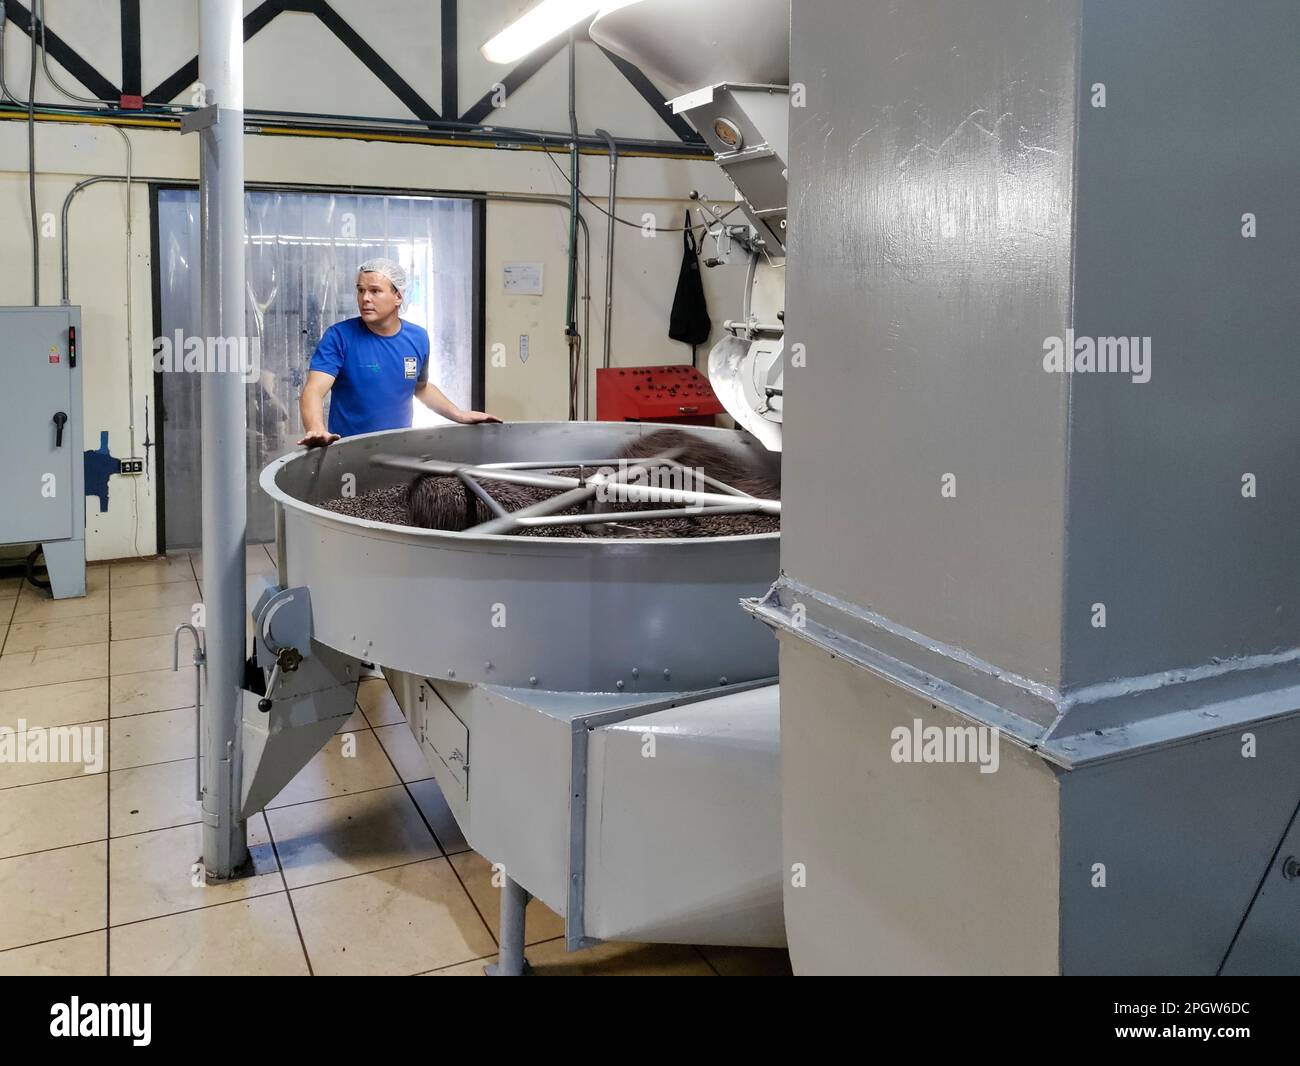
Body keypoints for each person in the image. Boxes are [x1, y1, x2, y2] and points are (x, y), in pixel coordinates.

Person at [298, 258, 500, 446]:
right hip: (349, 452)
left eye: (375, 291)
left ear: (398, 296)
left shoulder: (418, 338)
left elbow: (420, 388)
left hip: (399, 451)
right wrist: (316, 429)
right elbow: (314, 389)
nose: (365, 298)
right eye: (360, 290)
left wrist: (459, 415)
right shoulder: (339, 337)